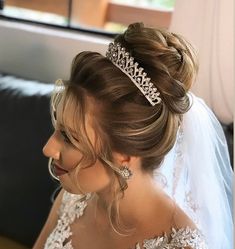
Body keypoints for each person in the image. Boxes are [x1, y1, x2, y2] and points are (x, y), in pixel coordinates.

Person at [32, 23, 233, 249]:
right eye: (58, 129)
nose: (48, 148)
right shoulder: (71, 199)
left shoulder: (181, 245)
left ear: (125, 154)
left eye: (69, 137)